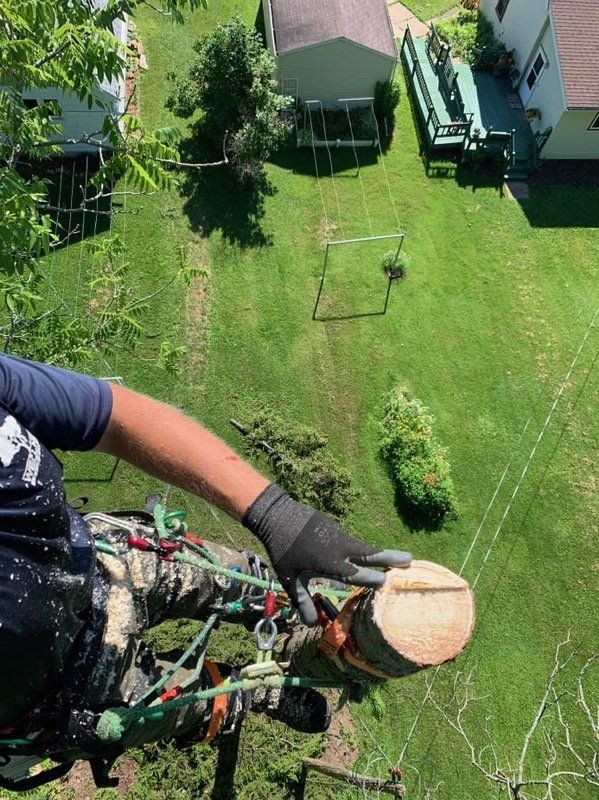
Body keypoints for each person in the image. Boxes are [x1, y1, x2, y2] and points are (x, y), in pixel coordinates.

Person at [0, 354, 411, 782]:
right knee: (201, 702)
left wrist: (274, 514)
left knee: (228, 578)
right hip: (66, 693)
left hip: (106, 563)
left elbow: (112, 416)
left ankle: (286, 615)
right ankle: (258, 695)